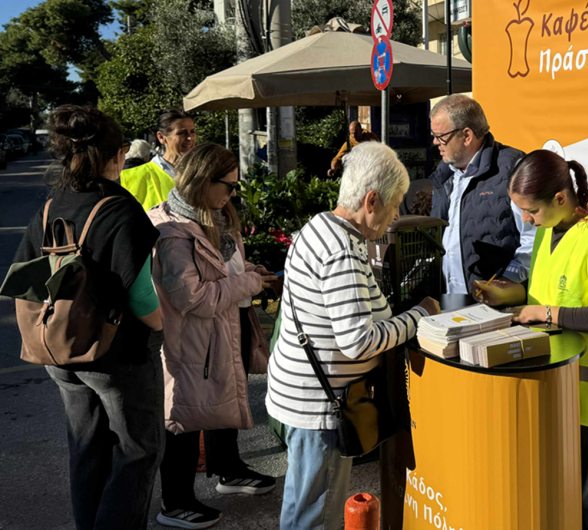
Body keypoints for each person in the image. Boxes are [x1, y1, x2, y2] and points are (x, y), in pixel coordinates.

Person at [269, 142, 441, 530]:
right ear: (371, 200)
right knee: (318, 514)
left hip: (304, 396)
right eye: (396, 204)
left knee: (302, 506)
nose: (397, 214)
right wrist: (420, 316)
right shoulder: (341, 249)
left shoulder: (320, 227)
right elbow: (358, 341)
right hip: (322, 408)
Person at [474, 150, 588, 530]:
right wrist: (513, 295)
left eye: (530, 211)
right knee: (569, 498)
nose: (525, 219)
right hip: (565, 387)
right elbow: (548, 292)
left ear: (560, 198)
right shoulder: (548, 229)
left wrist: (544, 314)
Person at [14, 105, 164, 529]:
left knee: (87, 446)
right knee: (138, 450)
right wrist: (162, 326)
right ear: (116, 154)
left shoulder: (50, 206)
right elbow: (141, 297)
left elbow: (26, 281)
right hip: (115, 353)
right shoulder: (119, 208)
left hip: (57, 351)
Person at [148, 143, 278, 529]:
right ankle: (175, 502)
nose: (233, 193)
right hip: (192, 340)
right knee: (185, 419)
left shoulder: (215, 216)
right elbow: (195, 298)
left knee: (222, 400)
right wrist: (249, 282)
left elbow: (221, 270)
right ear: (203, 181)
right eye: (229, 185)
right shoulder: (172, 233)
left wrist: (249, 269)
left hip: (225, 327)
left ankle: (229, 469)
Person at [427, 95, 536, 295]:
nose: (435, 142)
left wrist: (507, 282)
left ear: (467, 136)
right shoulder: (444, 175)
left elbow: (533, 238)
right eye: (433, 135)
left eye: (441, 136)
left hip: (496, 307)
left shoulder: (512, 168)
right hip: (449, 301)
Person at [121, 109, 197, 210]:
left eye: (193, 132)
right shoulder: (130, 178)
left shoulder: (205, 172)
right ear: (161, 137)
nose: (190, 138)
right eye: (182, 133)